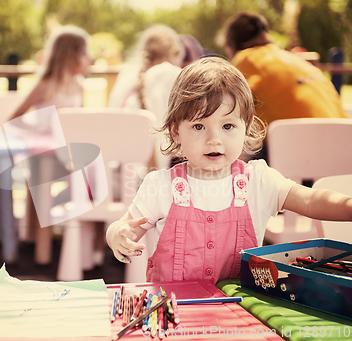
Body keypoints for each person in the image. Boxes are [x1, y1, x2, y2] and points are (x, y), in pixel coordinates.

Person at [105, 57, 352, 283]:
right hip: (176, 314)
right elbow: (123, 227)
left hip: (244, 313)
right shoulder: (159, 186)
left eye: (227, 125)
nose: (214, 139)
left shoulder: (259, 180)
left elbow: (309, 201)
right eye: (199, 126)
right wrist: (118, 234)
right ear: (175, 132)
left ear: (246, 129)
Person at [221, 12, 348, 128]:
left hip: (300, 144)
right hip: (345, 142)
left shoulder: (245, 58)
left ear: (232, 45)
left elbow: (225, 107)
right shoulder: (293, 59)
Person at [108, 25, 184, 169]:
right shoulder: (171, 74)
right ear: (175, 53)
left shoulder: (125, 77)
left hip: (113, 172)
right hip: (146, 178)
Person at [10, 25, 91, 127]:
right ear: (67, 57)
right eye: (83, 52)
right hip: (44, 141)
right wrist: (37, 131)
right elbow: (13, 118)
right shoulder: (45, 86)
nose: (89, 58)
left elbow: (79, 121)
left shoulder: (79, 85)